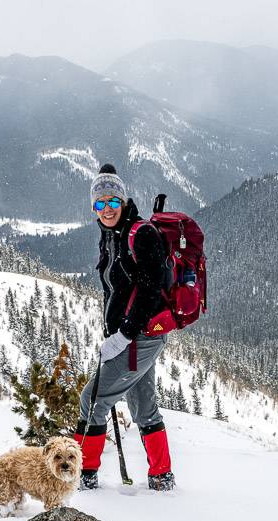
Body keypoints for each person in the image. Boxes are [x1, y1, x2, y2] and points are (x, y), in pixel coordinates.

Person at [73, 163, 175, 491]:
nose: (106, 209)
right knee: (143, 405)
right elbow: (116, 288)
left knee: (93, 401)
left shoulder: (141, 234)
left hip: (140, 336)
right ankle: (162, 476)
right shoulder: (112, 236)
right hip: (130, 336)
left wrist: (124, 334)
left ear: (123, 201)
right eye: (99, 204)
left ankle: (82, 475)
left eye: (112, 202)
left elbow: (150, 289)